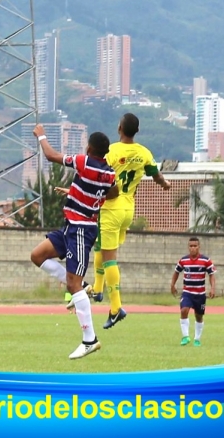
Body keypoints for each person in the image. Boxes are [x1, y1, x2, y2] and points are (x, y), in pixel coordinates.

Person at [29, 124, 117, 359]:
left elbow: (50, 155)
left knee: (72, 285)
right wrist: (77, 192)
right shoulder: (109, 173)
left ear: (89, 148)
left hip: (80, 230)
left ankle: (90, 339)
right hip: (70, 227)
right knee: (37, 255)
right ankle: (84, 287)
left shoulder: (84, 162)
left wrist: (41, 135)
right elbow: (112, 193)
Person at [87, 113, 171, 330]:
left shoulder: (112, 151)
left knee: (109, 259)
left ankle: (116, 309)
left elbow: (96, 174)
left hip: (110, 207)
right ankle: (97, 289)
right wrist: (165, 185)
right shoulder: (143, 153)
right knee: (101, 246)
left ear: (119, 128)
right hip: (128, 208)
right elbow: (157, 175)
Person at [170, 237, 216, 346]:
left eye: (195, 246)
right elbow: (176, 272)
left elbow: (211, 275)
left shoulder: (206, 260)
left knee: (198, 316)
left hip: (200, 294)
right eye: (191, 246)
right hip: (187, 292)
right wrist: (172, 284)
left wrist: (213, 288)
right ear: (188, 247)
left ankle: (197, 339)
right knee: (184, 310)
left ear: (199, 247)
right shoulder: (183, 260)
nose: (193, 248)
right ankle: (185, 337)